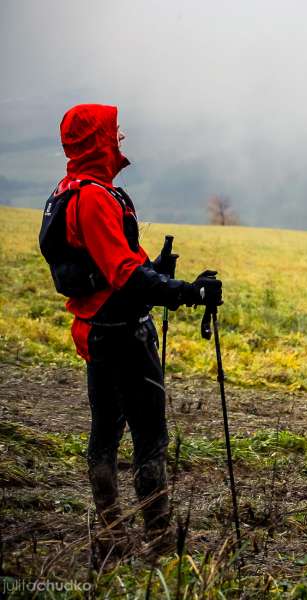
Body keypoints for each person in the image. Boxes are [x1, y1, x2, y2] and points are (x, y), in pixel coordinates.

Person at [51, 104, 222, 557]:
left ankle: (111, 535)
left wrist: (161, 273)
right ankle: (160, 543)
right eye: (113, 131)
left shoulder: (79, 191)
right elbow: (125, 272)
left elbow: (126, 265)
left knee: (104, 432)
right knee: (149, 437)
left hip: (97, 330)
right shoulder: (95, 199)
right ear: (97, 142)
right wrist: (188, 293)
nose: (120, 136)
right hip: (124, 334)